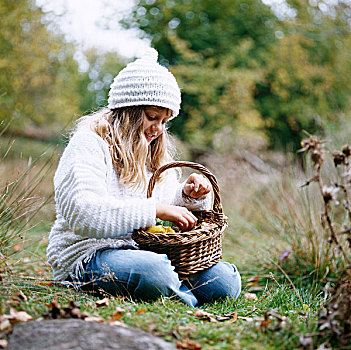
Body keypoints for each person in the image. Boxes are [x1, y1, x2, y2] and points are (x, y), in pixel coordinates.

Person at [47, 48, 241, 307]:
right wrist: (156, 209)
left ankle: (171, 287)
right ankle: (182, 296)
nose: (158, 129)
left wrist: (189, 195)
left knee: (225, 281)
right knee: (155, 272)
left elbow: (164, 200)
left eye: (164, 121)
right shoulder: (88, 144)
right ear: (129, 111)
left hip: (146, 250)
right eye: (152, 117)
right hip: (90, 253)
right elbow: (83, 213)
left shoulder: (154, 152)